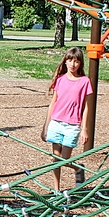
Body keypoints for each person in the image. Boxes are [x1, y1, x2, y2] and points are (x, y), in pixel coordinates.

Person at [41, 47, 93, 191]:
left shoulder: (84, 82)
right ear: (65, 62)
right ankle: (56, 190)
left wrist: (84, 129)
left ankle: (78, 169)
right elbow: (53, 103)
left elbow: (87, 107)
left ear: (80, 64)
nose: (73, 64)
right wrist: (46, 126)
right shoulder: (60, 80)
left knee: (64, 159)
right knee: (55, 160)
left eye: (76, 61)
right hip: (56, 123)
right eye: (70, 60)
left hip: (72, 125)